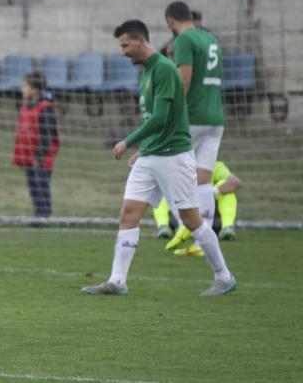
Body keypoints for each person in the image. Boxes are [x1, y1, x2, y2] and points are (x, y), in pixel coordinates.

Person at [82, 20, 235, 297]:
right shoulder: (148, 72)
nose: (123, 51)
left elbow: (163, 118)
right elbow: (155, 120)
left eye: (125, 45)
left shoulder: (164, 70)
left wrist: (129, 141)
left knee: (191, 218)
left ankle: (223, 276)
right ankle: (117, 281)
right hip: (152, 155)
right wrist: (144, 149)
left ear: (141, 40)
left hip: (174, 156)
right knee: (129, 213)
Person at [164, 1, 225, 254]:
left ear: (170, 21)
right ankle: (204, 240)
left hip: (191, 117)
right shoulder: (211, 39)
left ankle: (183, 225)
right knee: (203, 179)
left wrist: (169, 109)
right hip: (215, 117)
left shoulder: (184, 40)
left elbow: (185, 80)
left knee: (172, 171)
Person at [158, 160, 242, 255]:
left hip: (211, 219)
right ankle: (164, 227)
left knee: (227, 190)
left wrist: (212, 193)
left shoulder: (215, 165)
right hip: (183, 213)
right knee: (163, 191)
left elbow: (235, 182)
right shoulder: (180, 164)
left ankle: (227, 227)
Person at [13, 71, 59, 218]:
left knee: (41, 186)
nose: (22, 89)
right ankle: (38, 213)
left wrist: (39, 157)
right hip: (29, 156)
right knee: (33, 187)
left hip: (41, 158)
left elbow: (47, 136)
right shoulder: (26, 105)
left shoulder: (46, 108)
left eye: (25, 86)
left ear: (35, 89)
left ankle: (44, 215)